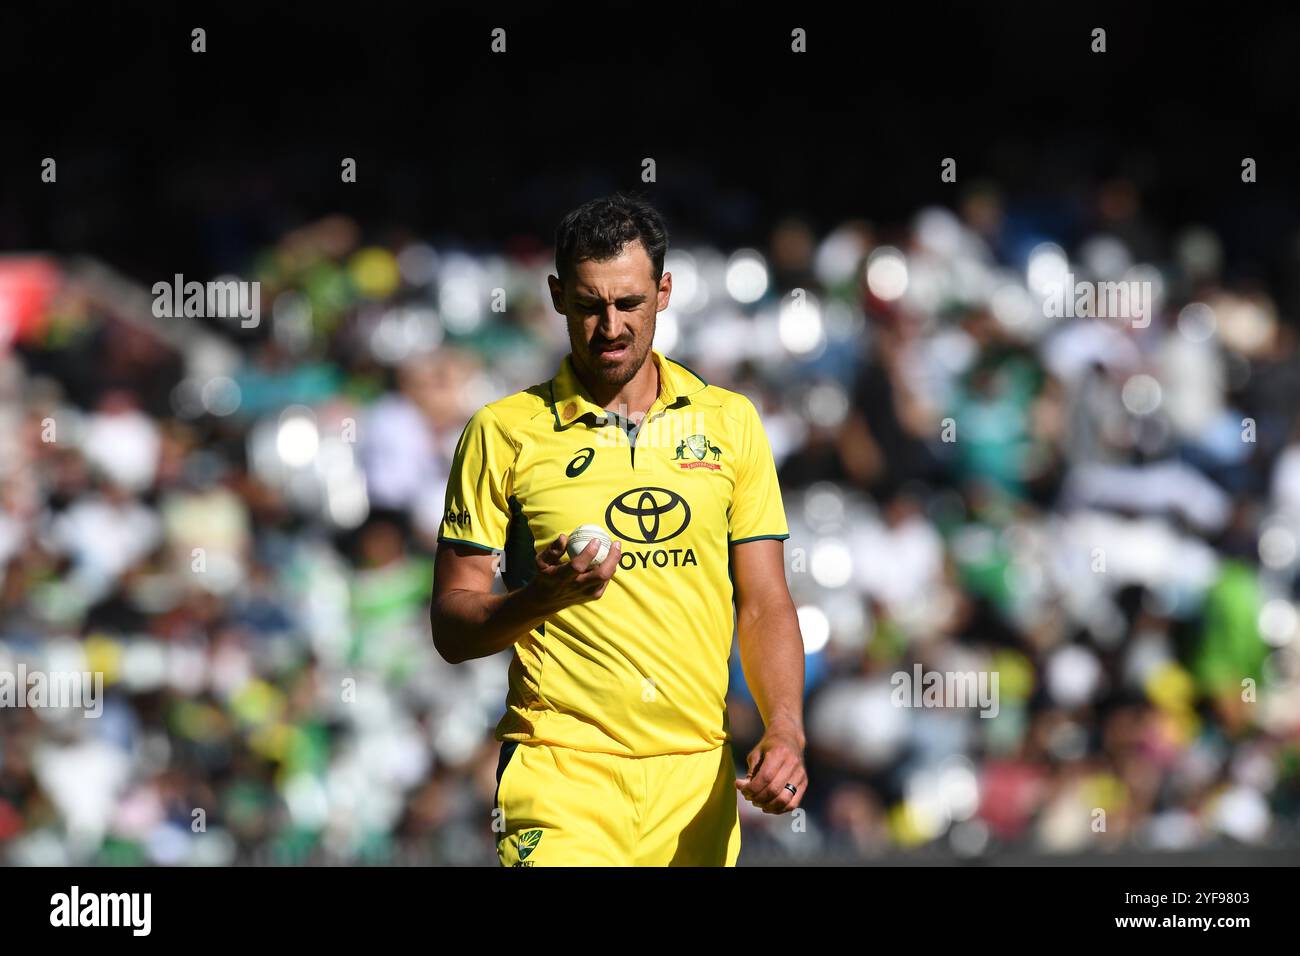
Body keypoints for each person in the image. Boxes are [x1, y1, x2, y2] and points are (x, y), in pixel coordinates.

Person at [431, 193, 806, 866]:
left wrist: (785, 730)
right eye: (588, 305)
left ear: (663, 292)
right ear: (555, 296)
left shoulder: (730, 423)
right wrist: (539, 599)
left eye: (629, 303)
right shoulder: (503, 432)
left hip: (695, 780)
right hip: (559, 772)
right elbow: (452, 627)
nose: (610, 326)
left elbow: (764, 601)